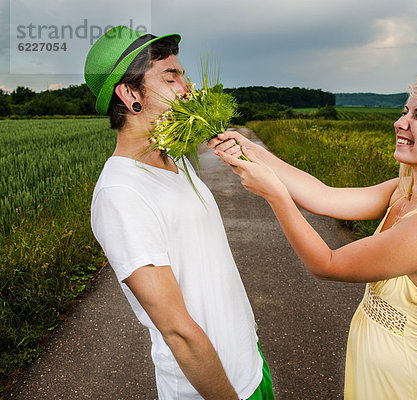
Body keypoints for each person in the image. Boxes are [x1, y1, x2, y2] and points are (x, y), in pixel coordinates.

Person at [211, 74, 417, 399]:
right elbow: (323, 196)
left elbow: (328, 263)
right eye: (404, 111)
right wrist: (250, 150)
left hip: (401, 385)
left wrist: (276, 196)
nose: (399, 122)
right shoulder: (402, 192)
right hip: (375, 370)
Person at [84, 25, 274, 400]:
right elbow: (177, 331)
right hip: (210, 390)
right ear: (130, 94)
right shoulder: (120, 194)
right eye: (171, 77)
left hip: (249, 363)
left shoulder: (176, 161)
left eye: (183, 75)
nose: (187, 87)